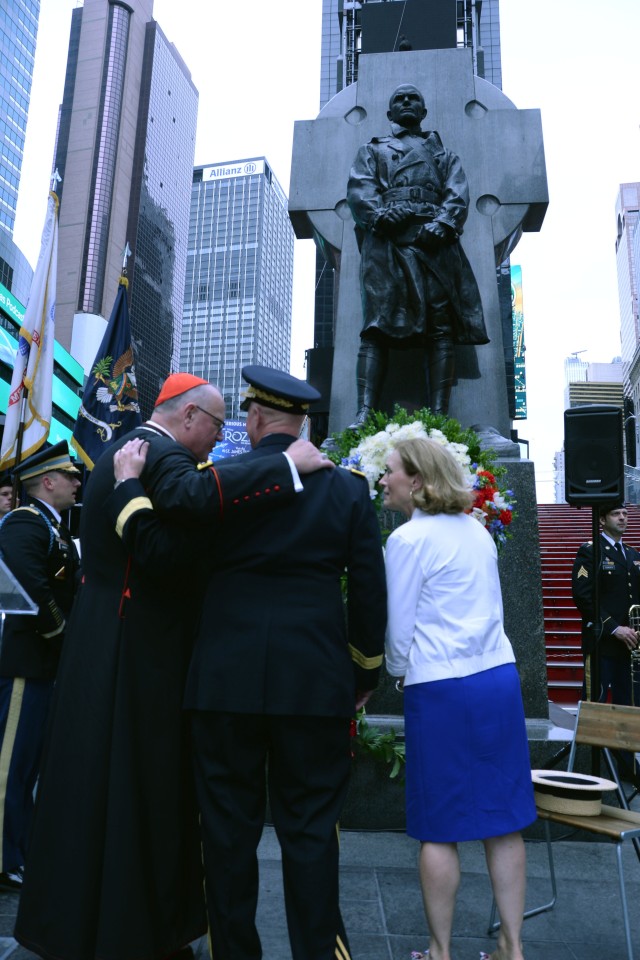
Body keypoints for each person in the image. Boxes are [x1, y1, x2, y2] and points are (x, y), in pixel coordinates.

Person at [14, 373, 333, 960]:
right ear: (188, 417)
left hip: (101, 637)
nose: (219, 440)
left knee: (94, 784)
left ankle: (83, 920)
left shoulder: (125, 449)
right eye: (215, 427)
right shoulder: (157, 456)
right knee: (139, 783)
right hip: (140, 646)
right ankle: (131, 926)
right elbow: (186, 511)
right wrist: (286, 466)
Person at [181, 365, 387, 960]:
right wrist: (362, 672)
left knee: (225, 834)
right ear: (303, 424)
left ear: (253, 419)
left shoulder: (220, 479)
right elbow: (370, 594)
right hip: (315, 683)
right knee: (312, 834)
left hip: (223, 682)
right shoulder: (348, 488)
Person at [380, 438, 535, 960]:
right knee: (504, 820)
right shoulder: (477, 531)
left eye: (391, 471)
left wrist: (400, 674)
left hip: (441, 686)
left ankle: (440, 951)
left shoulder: (405, 540)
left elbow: (399, 633)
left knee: (439, 827)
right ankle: (512, 948)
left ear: (418, 481)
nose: (383, 480)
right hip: (496, 677)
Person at [346, 83, 487, 428]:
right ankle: (364, 413)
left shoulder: (444, 155)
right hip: (387, 244)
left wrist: (444, 224)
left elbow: (457, 195)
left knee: (440, 327)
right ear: (389, 113)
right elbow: (360, 188)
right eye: (399, 99)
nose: (406, 102)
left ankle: (439, 416)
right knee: (376, 326)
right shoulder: (373, 150)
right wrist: (379, 214)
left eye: (414, 99)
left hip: (432, 244)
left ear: (423, 112)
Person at [0, 441, 81, 892]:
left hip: (41, 664)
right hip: (24, 662)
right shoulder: (25, 523)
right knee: (9, 765)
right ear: (47, 481)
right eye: (69, 475)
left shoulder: (53, 528)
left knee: (26, 766)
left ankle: (18, 852)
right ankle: (2, 857)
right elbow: (27, 585)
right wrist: (62, 634)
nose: (76, 482)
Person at [571, 502, 640, 707]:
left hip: (631, 644)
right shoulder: (591, 551)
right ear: (602, 520)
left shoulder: (633, 554)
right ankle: (589, 740)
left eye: (625, 514)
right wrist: (614, 628)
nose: (622, 517)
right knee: (595, 701)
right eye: (616, 514)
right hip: (603, 641)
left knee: (631, 703)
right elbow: (583, 596)